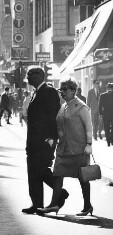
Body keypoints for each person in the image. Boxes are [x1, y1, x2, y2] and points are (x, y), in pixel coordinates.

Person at [38, 77, 93, 216]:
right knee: (57, 175)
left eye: (65, 90)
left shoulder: (81, 107)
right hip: (63, 149)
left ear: (73, 91)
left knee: (83, 178)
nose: (62, 92)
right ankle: (54, 204)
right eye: (60, 89)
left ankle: (87, 206)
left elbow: (88, 127)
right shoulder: (63, 106)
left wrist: (89, 144)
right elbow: (60, 126)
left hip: (79, 149)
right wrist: (53, 137)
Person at [22, 66, 68, 215]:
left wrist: (51, 138)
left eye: (30, 75)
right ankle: (36, 204)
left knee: (41, 171)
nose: (28, 78)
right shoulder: (36, 92)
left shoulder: (49, 92)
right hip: (34, 142)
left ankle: (60, 192)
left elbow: (52, 117)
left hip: (44, 142)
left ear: (39, 75)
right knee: (34, 173)